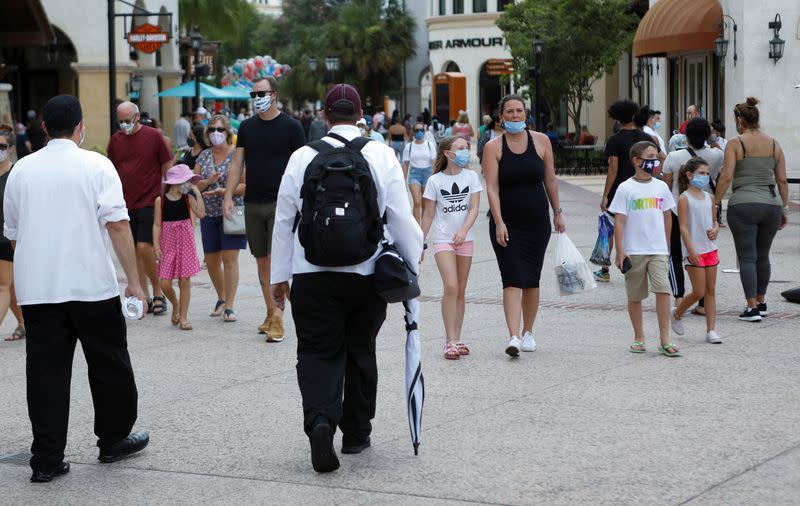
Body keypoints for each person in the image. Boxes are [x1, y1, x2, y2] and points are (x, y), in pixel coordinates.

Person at [270, 84, 422, 473]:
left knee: (318, 351)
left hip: (312, 273)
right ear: (359, 115)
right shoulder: (381, 154)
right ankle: (356, 433)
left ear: (324, 115)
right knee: (360, 348)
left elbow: (285, 219)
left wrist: (279, 276)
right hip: (366, 273)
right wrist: (412, 265)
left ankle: (321, 420)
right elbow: (401, 217)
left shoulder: (302, 156)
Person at [3, 95, 149, 483]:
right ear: (81, 127)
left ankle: (46, 459)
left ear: (45, 128)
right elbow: (118, 225)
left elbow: (14, 236)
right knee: (109, 363)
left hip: (40, 290)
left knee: (46, 373)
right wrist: (133, 282)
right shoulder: (97, 165)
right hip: (91, 285)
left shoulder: (21, 171)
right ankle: (113, 438)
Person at [482, 94, 565, 358]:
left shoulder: (541, 142)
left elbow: (550, 180)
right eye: (510, 112)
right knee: (512, 279)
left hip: (537, 222)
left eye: (519, 111)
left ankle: (528, 332)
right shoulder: (493, 147)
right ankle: (513, 335)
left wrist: (558, 213)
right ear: (501, 116)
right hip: (506, 223)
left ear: (525, 114)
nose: (515, 116)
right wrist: (498, 222)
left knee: (531, 279)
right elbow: (492, 188)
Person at [224, 76, 306, 341]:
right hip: (252, 202)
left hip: (281, 204)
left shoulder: (292, 127)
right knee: (261, 263)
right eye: (253, 94)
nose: (257, 98)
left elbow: (302, 166)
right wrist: (228, 196)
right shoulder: (247, 127)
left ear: (274, 94)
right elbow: (237, 164)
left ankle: (279, 320)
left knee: (274, 261)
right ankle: (271, 312)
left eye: (262, 93)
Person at [714, 97, 789, 322]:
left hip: (744, 203)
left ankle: (751, 307)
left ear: (739, 120)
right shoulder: (774, 143)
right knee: (763, 255)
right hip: (771, 203)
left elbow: (727, 176)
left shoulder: (736, 143)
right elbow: (782, 180)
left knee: (747, 257)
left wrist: (715, 201)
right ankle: (762, 301)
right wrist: (784, 208)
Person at [608, 141, 680, 357]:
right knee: (635, 295)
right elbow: (619, 221)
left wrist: (666, 245)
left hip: (657, 250)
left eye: (656, 157)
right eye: (650, 157)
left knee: (663, 290)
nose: (655, 161)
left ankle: (665, 338)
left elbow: (667, 216)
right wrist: (620, 251)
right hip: (634, 251)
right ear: (637, 161)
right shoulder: (625, 188)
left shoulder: (660, 187)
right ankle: (639, 336)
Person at [107, 101, 173, 316]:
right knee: (134, 251)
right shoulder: (115, 141)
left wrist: (168, 193)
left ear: (137, 117)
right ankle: (142, 296)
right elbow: (112, 169)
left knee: (145, 247)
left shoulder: (153, 136)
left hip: (150, 199)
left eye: (128, 120)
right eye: (121, 121)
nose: (124, 124)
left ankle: (158, 292)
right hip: (125, 203)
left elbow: (166, 165)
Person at [421, 136, 482, 360]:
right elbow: (427, 214)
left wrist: (464, 231)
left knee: (461, 289)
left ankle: (457, 338)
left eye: (467, 148)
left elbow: (474, 208)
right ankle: (449, 341)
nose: (465, 151)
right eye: (460, 148)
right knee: (451, 286)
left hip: (465, 238)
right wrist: (420, 241)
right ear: (447, 153)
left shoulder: (472, 177)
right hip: (443, 238)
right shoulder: (434, 181)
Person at [662, 118, 723, 308]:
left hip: (675, 209)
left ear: (685, 135)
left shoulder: (673, 157)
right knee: (703, 250)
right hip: (705, 209)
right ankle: (703, 301)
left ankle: (679, 297)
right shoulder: (716, 155)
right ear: (708, 134)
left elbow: (666, 184)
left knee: (675, 255)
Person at [595, 100, 658, 282]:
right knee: (639, 225)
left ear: (616, 118)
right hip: (643, 186)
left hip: (620, 190)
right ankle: (642, 266)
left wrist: (606, 195)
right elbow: (660, 157)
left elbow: (613, 169)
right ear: (633, 115)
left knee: (610, 229)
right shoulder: (646, 137)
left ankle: (604, 269)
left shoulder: (614, 140)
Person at [195, 115, 247, 322]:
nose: (216, 133)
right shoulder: (204, 157)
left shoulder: (237, 155)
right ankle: (221, 297)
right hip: (208, 214)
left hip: (231, 212)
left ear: (228, 132)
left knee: (229, 259)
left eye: (220, 129)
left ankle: (230, 305)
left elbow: (244, 186)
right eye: (212, 130)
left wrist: (225, 191)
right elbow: (194, 186)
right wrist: (207, 182)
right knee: (211, 259)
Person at [670, 158, 721, 344]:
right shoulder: (684, 198)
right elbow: (683, 227)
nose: (705, 177)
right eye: (701, 173)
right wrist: (690, 250)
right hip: (694, 250)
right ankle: (677, 313)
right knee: (698, 291)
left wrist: (715, 229)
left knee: (710, 290)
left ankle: (711, 330)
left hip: (710, 249)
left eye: (707, 174)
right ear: (690, 175)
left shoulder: (709, 197)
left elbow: (715, 221)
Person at [154, 165, 205, 330]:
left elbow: (201, 214)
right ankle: (175, 303)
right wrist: (156, 247)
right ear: (176, 182)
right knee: (165, 283)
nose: (188, 184)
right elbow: (156, 225)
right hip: (167, 244)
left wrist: (196, 193)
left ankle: (183, 317)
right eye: (186, 181)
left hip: (186, 244)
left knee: (185, 280)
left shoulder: (188, 198)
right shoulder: (160, 200)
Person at [0, 127, 25, 341]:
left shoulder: (16, 174)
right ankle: (25, 324)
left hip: (7, 238)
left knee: (2, 286)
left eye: (2, 147)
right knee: (12, 287)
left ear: (11, 149)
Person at [402, 122, 437, 223]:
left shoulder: (430, 145)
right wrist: (403, 180)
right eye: (417, 130)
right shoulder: (409, 146)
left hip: (427, 174)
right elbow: (405, 164)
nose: (419, 132)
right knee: (417, 202)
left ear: (424, 131)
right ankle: (416, 231)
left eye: (421, 130)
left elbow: (434, 163)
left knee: (425, 203)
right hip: (414, 175)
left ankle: (423, 231)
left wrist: (434, 177)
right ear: (413, 132)